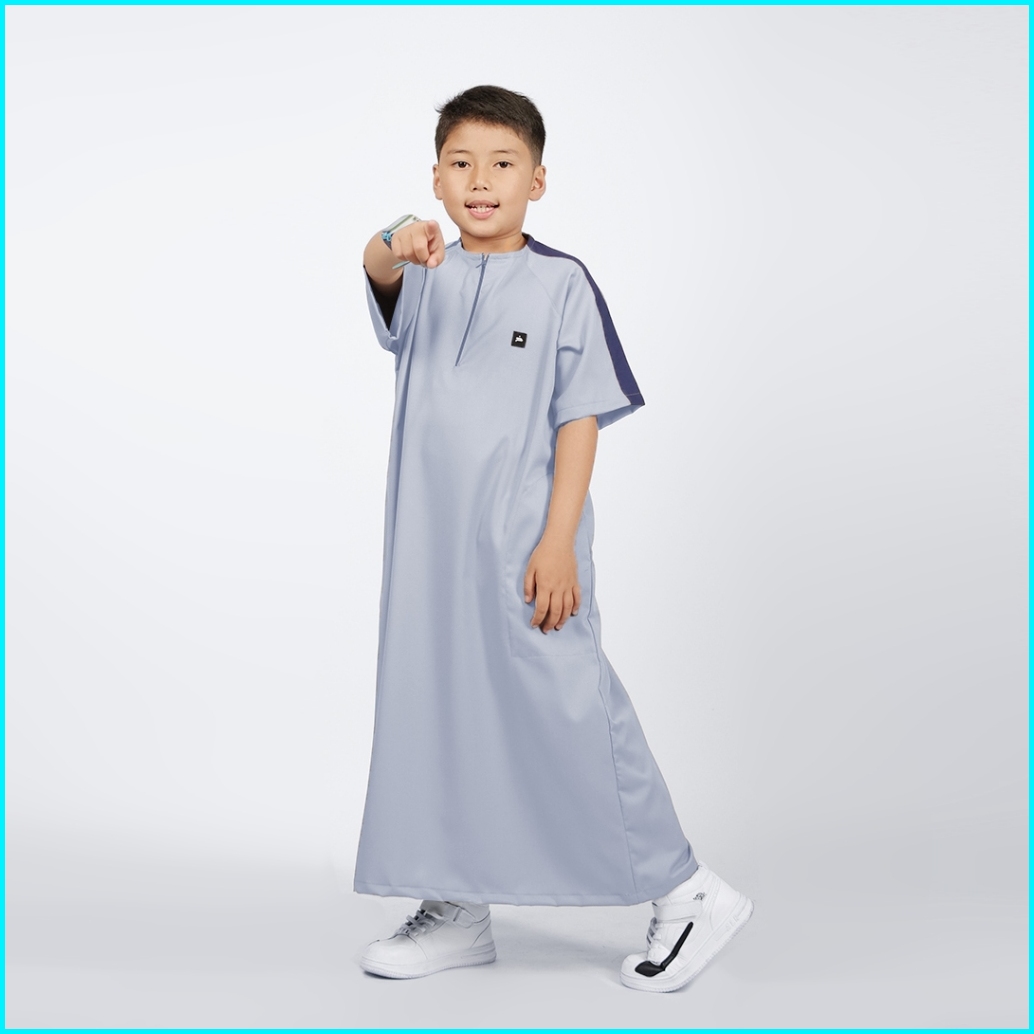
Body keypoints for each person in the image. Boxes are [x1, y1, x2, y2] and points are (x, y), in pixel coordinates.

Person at [354, 84, 753, 993]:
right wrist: (393, 238)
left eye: (502, 164)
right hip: (428, 555)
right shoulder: (425, 271)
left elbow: (581, 417)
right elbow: (376, 267)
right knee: (439, 709)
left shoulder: (562, 283)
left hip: (523, 547)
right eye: (461, 164)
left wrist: (558, 540)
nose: (480, 181)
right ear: (435, 179)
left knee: (570, 703)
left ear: (537, 181)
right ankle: (456, 903)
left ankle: (688, 890)